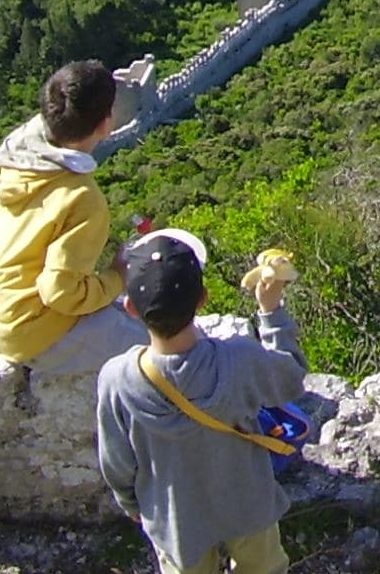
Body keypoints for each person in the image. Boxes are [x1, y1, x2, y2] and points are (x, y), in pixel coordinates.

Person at [96, 230, 307, 574]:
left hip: (176, 519)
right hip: (246, 500)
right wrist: (271, 313)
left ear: (131, 308)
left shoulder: (116, 379)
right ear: (203, 299)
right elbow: (291, 375)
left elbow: (117, 462)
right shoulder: (239, 359)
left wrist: (132, 504)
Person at [0, 60, 146, 372]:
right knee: (165, 350)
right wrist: (117, 277)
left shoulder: (16, 159)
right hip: (35, 333)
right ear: (105, 124)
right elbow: (60, 292)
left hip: (0, 313)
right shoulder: (82, 199)